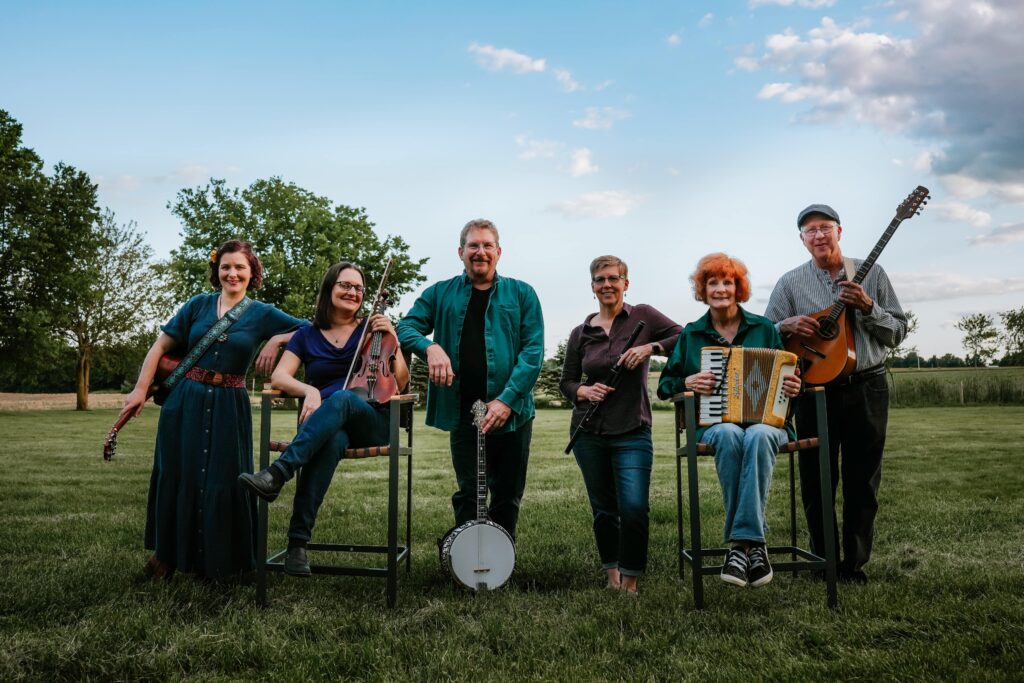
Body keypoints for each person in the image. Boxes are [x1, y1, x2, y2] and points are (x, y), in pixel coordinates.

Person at [120, 240, 305, 580]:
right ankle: (166, 556)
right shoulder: (197, 305)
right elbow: (159, 346)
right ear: (216, 270)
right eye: (225, 266)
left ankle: (224, 563)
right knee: (177, 474)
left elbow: (309, 329)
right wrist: (139, 389)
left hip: (229, 403)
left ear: (252, 273)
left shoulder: (263, 314)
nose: (231, 273)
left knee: (225, 478)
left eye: (239, 267)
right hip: (184, 401)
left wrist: (277, 339)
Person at [237, 262, 409, 576]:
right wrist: (310, 391)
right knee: (331, 440)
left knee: (343, 398)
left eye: (358, 288)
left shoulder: (371, 329)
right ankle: (297, 546)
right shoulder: (306, 336)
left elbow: (401, 380)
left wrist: (392, 338)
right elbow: (280, 375)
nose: (353, 292)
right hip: (327, 426)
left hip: (372, 420)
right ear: (329, 289)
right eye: (345, 285)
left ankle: (279, 472)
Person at [765, 203, 907, 584]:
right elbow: (763, 336)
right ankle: (822, 562)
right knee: (816, 481)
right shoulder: (790, 283)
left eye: (825, 227)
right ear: (802, 239)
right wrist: (784, 325)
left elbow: (897, 332)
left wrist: (869, 306)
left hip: (867, 387)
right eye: (810, 230)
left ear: (839, 232)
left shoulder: (872, 273)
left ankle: (853, 565)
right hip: (813, 390)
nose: (819, 235)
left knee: (863, 481)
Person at [657, 253, 802, 588]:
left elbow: (788, 377)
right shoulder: (692, 334)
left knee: (758, 435)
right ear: (702, 290)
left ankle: (740, 547)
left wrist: (796, 385)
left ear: (739, 289)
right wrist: (687, 382)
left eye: (728, 282)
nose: (720, 289)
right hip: (715, 426)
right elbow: (666, 385)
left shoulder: (764, 329)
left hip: (768, 425)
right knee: (730, 434)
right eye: (713, 283)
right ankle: (755, 547)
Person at [396, 219, 543, 540]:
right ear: (461, 252)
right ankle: (465, 561)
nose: (480, 252)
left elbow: (533, 351)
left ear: (499, 252)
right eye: (473, 246)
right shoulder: (439, 293)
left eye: (487, 245)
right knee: (469, 492)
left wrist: (507, 400)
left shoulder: (522, 294)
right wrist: (430, 347)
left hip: (512, 412)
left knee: (507, 494)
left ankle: (500, 565)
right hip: (463, 410)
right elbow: (405, 328)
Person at [559, 255, 681, 593]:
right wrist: (583, 390)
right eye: (600, 279)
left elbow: (684, 338)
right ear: (592, 286)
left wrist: (650, 348)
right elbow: (566, 381)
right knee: (604, 510)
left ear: (626, 283)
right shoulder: (580, 332)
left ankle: (631, 580)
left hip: (632, 429)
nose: (607, 284)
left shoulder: (643, 316)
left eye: (614, 278)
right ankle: (612, 577)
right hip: (588, 432)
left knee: (634, 507)